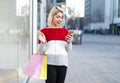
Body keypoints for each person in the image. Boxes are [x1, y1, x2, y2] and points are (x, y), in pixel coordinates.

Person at [38, 6, 74, 83]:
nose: (60, 20)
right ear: (52, 16)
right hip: (49, 64)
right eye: (57, 17)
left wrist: (69, 42)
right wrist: (43, 42)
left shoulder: (65, 31)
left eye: (61, 17)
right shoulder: (44, 31)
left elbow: (68, 49)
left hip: (63, 64)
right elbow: (41, 51)